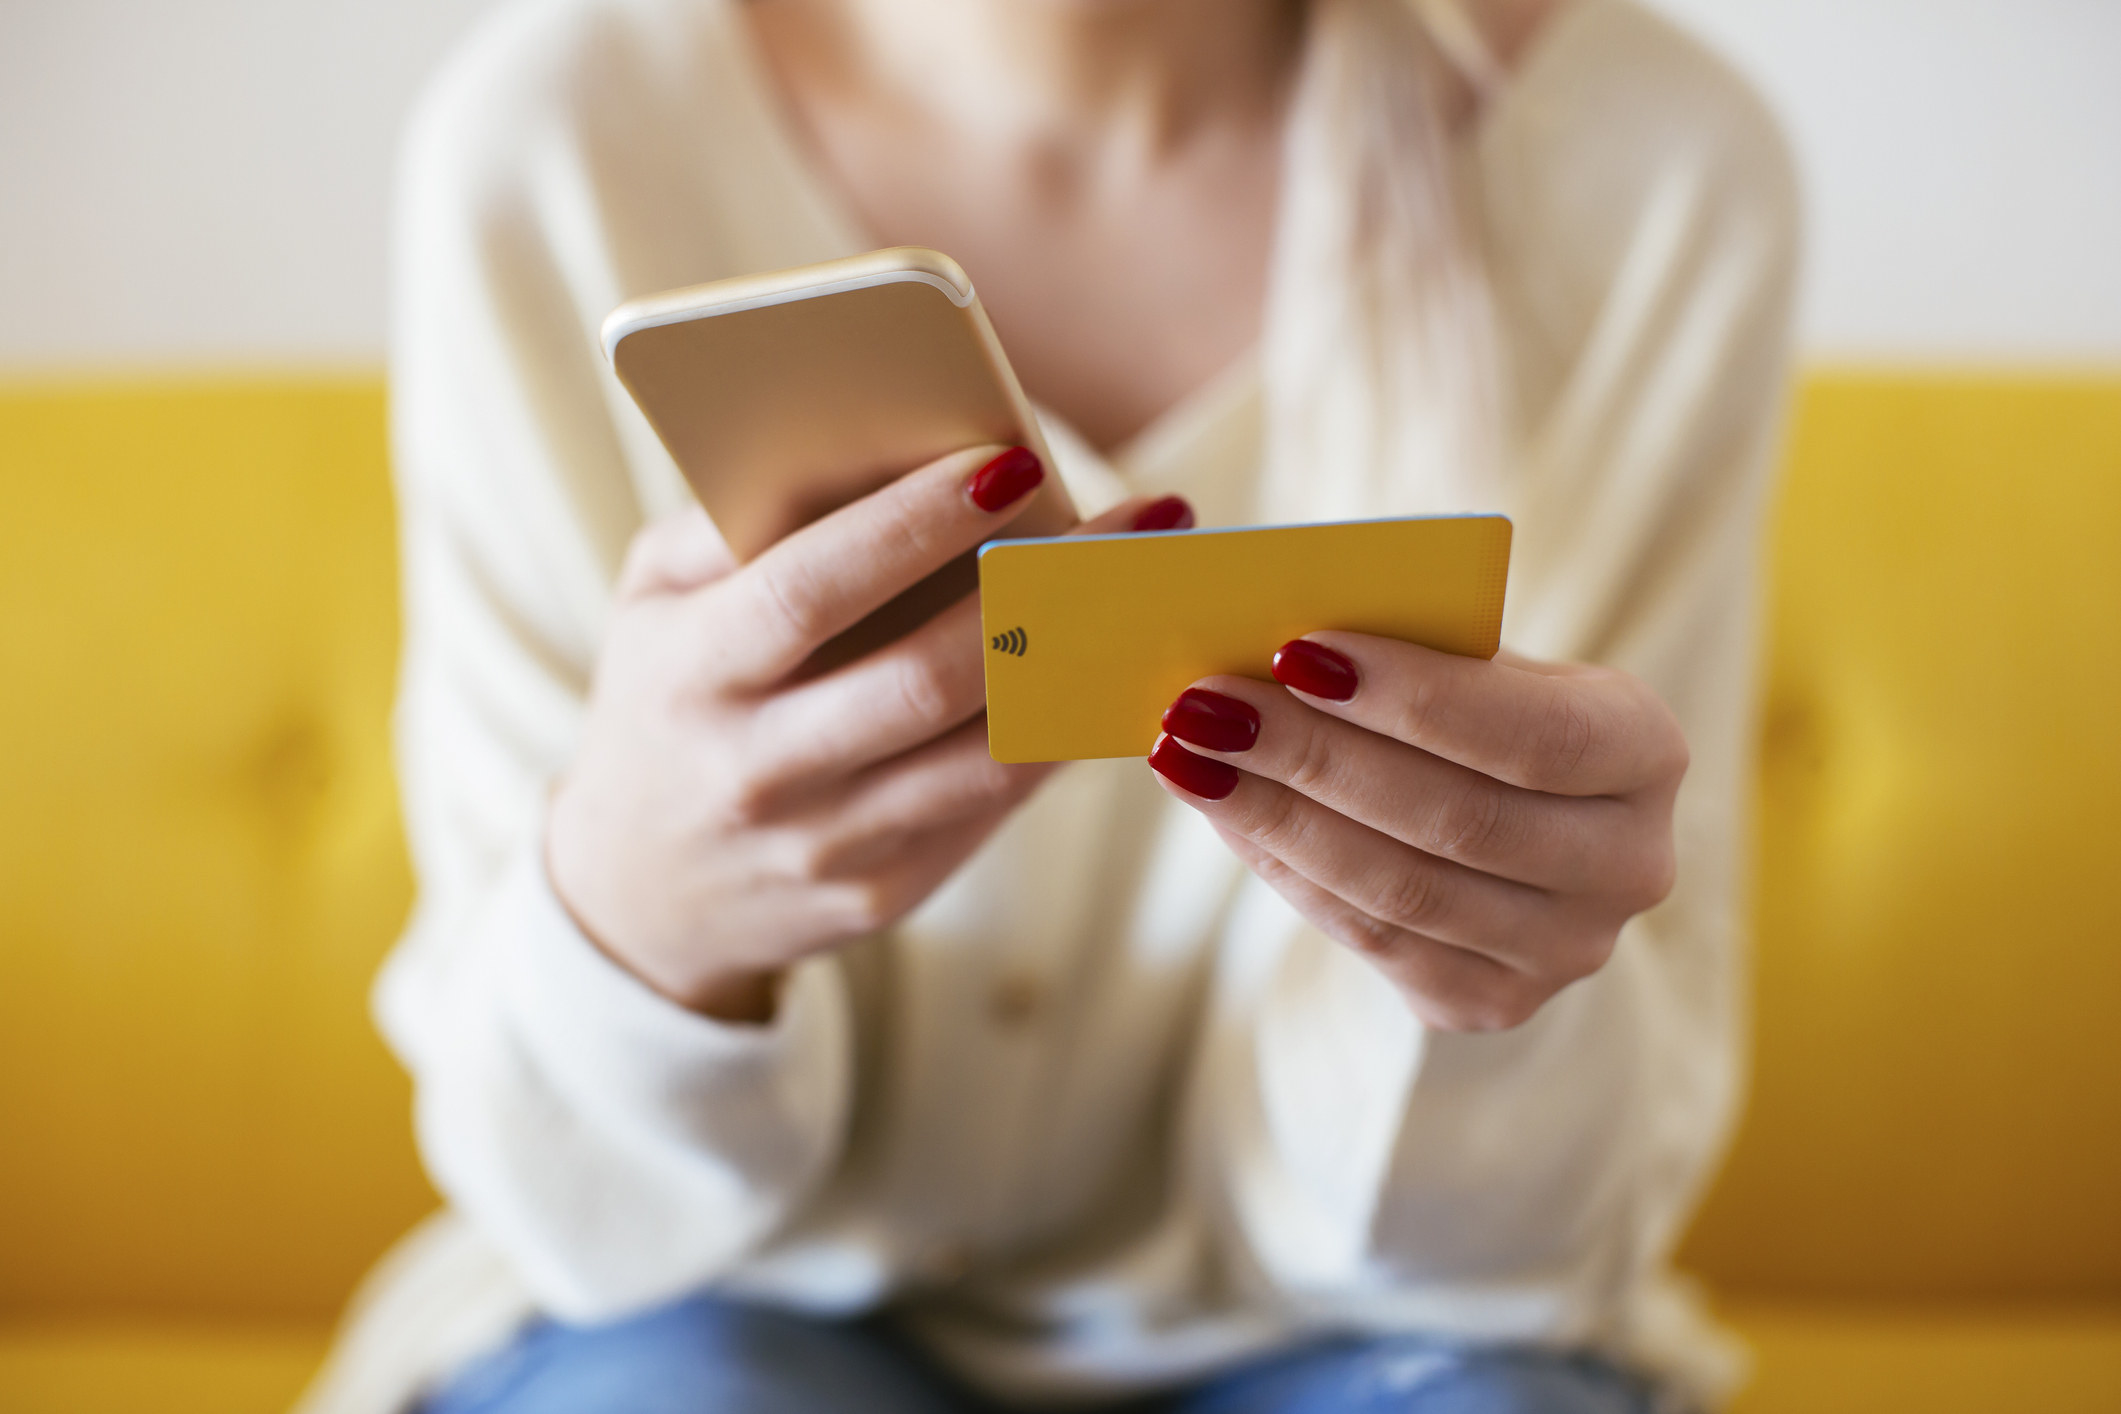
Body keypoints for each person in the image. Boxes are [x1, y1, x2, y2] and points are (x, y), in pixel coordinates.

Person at [297, 0, 1798, 1409]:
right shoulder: (557, 145)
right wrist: (641, 916)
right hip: (714, 1300)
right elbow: (574, 1213)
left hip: (1368, 1332)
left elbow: (1513, 1263)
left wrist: (1483, 986)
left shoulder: (1646, 178)